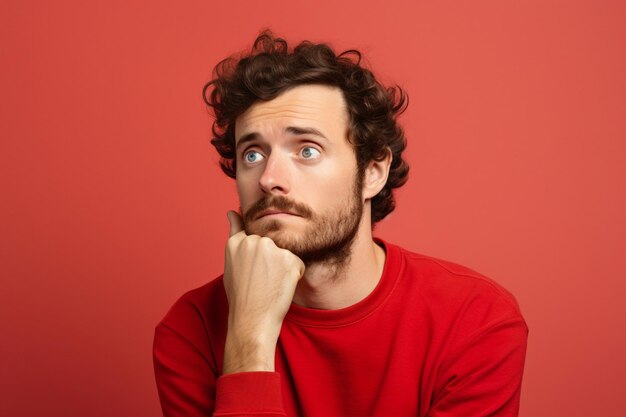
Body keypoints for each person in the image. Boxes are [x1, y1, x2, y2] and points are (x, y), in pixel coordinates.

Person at [153, 31, 528, 417]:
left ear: (373, 172)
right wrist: (249, 337)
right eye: (252, 154)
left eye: (307, 150)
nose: (268, 178)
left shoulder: (474, 321)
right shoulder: (191, 329)